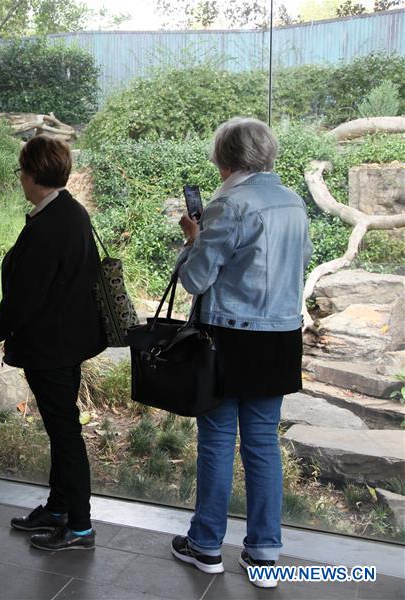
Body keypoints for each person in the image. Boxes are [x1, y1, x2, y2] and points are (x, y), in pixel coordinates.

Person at [168, 117, 312, 589]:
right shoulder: (293, 201)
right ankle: (265, 554)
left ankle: (206, 545)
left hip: (228, 339)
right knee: (263, 444)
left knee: (216, 441)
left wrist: (193, 240)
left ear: (224, 158)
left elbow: (196, 279)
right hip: (281, 337)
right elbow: (299, 261)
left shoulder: (228, 204)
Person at [0, 135, 106, 552]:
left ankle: (80, 527)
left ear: (35, 175)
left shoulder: (50, 224)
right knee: (62, 429)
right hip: (66, 342)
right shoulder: (70, 212)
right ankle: (58, 509)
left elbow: (27, 295)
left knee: (65, 433)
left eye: (22, 170)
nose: (20, 177)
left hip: (52, 347)